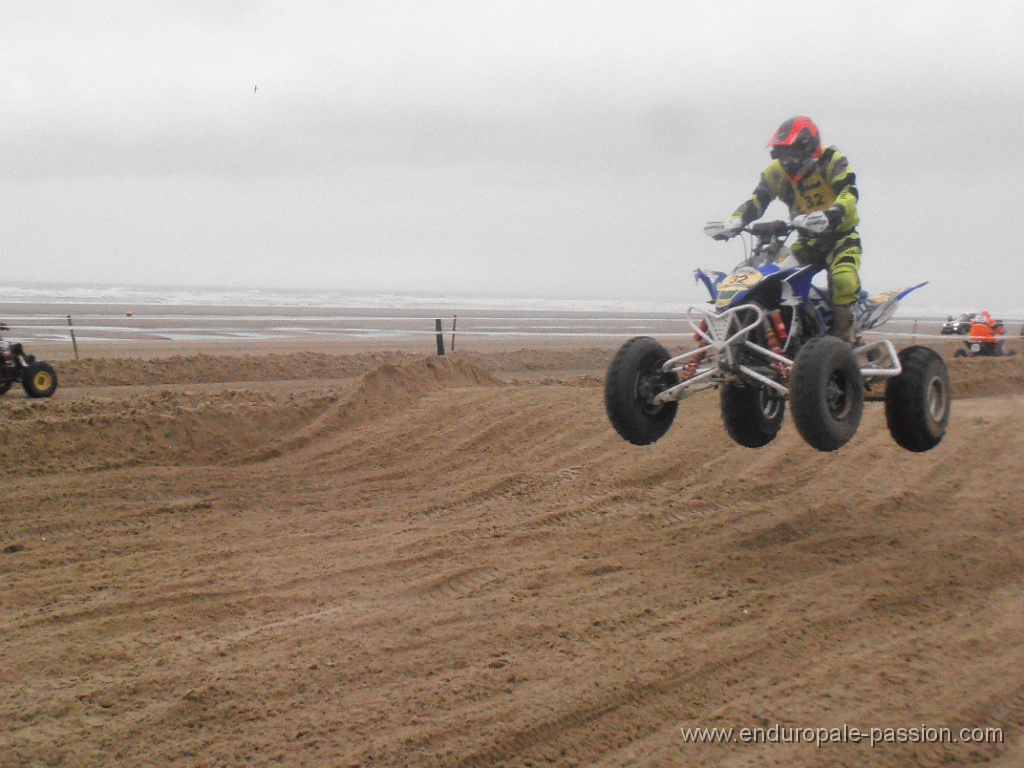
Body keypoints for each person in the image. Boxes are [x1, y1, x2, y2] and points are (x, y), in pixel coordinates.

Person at [705, 115, 862, 342]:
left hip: (841, 238)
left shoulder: (831, 160)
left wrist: (834, 212)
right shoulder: (775, 173)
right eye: (782, 153)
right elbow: (757, 202)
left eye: (793, 152)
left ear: (809, 147)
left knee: (844, 278)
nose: (788, 160)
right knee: (769, 277)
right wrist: (736, 221)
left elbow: (849, 192)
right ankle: (779, 337)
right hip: (806, 241)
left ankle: (844, 338)